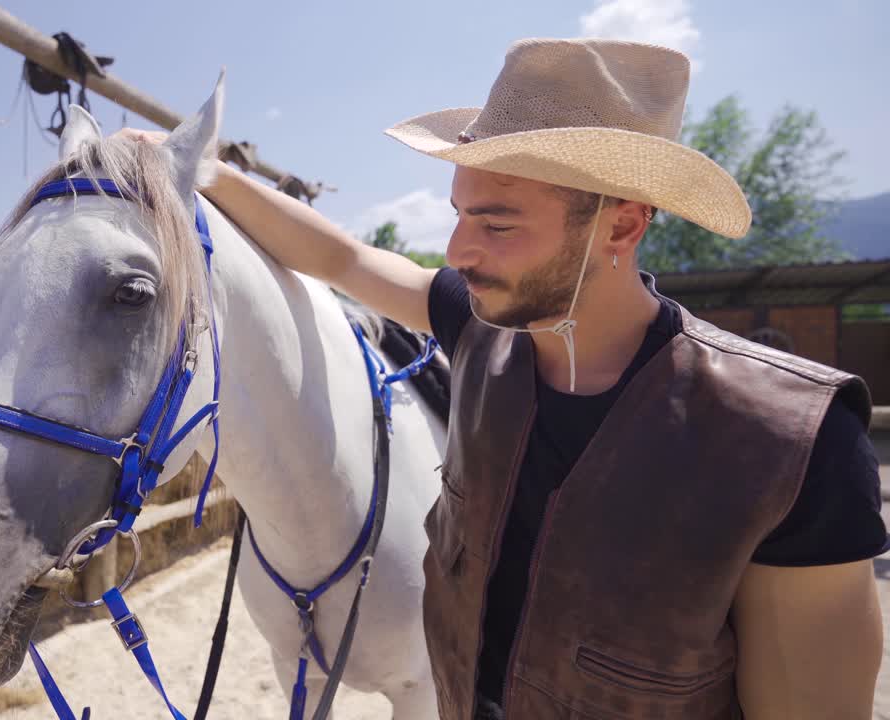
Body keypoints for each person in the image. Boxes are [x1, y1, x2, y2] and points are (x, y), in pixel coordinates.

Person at [122, 37, 885, 719]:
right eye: (459, 214)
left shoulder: (789, 444)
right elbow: (347, 260)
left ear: (621, 225)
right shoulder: (485, 331)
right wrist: (206, 171)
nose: (457, 251)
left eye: (497, 223)